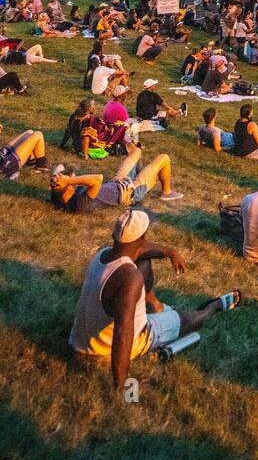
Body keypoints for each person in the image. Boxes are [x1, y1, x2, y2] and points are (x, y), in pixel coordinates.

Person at [69, 210, 240, 390]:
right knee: (186, 320)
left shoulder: (103, 255)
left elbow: (141, 250)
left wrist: (170, 252)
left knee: (144, 262)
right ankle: (215, 306)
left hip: (79, 342)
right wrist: (124, 384)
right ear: (142, 238)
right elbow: (123, 332)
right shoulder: (130, 279)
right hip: (105, 349)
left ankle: (156, 307)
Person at [50, 146, 182, 211]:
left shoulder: (73, 191)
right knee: (164, 158)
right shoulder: (79, 203)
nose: (65, 177)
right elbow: (98, 179)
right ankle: (166, 192)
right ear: (65, 189)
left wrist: (67, 180)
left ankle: (142, 175)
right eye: (61, 181)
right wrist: (68, 181)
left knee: (136, 150)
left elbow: (71, 176)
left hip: (117, 181)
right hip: (129, 192)